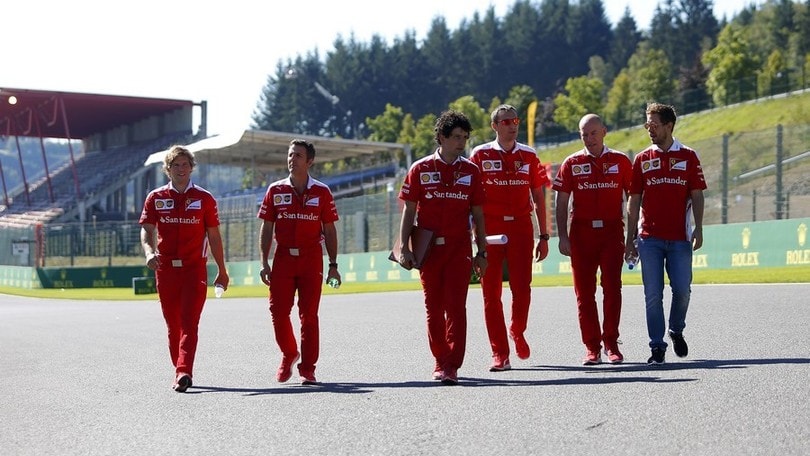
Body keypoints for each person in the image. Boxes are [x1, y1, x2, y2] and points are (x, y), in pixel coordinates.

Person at [396, 110, 488, 385]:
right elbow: (408, 211)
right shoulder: (420, 169)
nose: (461, 142)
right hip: (429, 251)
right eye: (456, 137)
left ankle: (452, 365)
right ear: (441, 137)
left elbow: (479, 216)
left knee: (456, 307)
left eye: (465, 137)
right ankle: (440, 360)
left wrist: (481, 252)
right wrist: (404, 248)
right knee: (433, 308)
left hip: (459, 249)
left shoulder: (471, 171)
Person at [139, 145, 229, 393]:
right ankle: (180, 370)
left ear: (191, 168)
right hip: (165, 270)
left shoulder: (205, 199)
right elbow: (146, 229)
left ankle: (183, 371)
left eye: (185, 164)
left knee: (190, 323)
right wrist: (148, 253)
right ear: (167, 169)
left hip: (194, 270)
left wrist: (222, 269)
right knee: (173, 326)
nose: (181, 169)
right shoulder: (155, 198)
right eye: (175, 165)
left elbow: (214, 236)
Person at [469, 104, 550, 372]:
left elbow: (539, 195)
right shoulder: (479, 154)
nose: (512, 125)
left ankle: (517, 329)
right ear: (494, 126)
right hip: (489, 230)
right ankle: (499, 354)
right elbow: (471, 197)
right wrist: (473, 233)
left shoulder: (529, 155)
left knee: (522, 288)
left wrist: (545, 234)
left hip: (521, 229)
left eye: (515, 120)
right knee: (490, 294)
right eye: (505, 122)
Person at [625, 102, 706, 365]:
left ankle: (676, 329)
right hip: (649, 238)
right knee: (653, 294)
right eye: (647, 124)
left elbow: (697, 194)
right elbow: (634, 200)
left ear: (669, 126)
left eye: (654, 125)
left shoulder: (689, 156)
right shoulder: (641, 159)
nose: (649, 129)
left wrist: (699, 228)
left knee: (682, 290)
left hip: (680, 238)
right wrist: (630, 239)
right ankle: (657, 346)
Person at [258, 139, 341, 385]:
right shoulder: (275, 190)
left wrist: (333, 265)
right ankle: (289, 353)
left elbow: (330, 229)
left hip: (311, 258)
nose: (292, 159)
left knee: (309, 315)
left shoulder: (322, 192)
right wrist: (264, 261)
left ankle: (308, 368)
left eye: (298, 156)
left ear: (310, 161)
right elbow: (266, 227)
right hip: (282, 258)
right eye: (290, 155)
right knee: (278, 311)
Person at [552, 114, 632, 365]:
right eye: (584, 134)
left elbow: (633, 198)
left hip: (611, 232)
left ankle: (611, 343)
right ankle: (591, 347)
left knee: (612, 288)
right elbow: (562, 201)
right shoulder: (572, 162)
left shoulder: (620, 161)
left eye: (593, 133)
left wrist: (633, 235)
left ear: (604, 132)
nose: (589, 139)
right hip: (581, 234)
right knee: (584, 294)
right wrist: (562, 236)